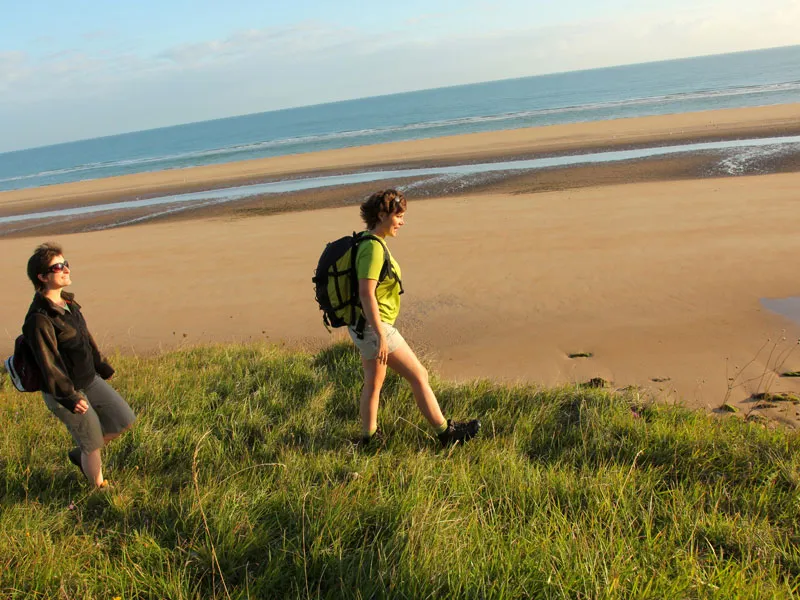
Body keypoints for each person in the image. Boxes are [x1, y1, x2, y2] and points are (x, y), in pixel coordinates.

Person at [350, 189, 480, 446]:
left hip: (363, 327)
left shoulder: (366, 242)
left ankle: (368, 440)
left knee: (373, 383)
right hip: (376, 328)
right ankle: (446, 434)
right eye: (398, 216)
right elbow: (366, 293)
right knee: (419, 375)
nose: (402, 222)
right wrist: (380, 336)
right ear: (382, 214)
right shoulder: (373, 249)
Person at [22, 243, 136, 488]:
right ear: (42, 277)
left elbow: (86, 339)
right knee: (92, 442)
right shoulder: (39, 319)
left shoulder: (68, 304)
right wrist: (70, 397)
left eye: (66, 264)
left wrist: (101, 366)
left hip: (89, 378)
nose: (66, 269)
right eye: (58, 267)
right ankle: (98, 489)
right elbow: (48, 364)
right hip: (65, 391)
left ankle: (81, 454)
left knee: (123, 418)